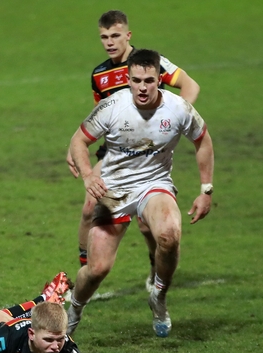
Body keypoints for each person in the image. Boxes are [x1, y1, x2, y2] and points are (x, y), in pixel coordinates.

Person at [66, 49, 214, 338]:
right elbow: (78, 140)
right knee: (97, 270)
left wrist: (205, 190)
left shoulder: (178, 108)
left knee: (169, 236)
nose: (142, 87)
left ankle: (158, 296)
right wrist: (87, 175)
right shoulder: (112, 107)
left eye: (149, 80)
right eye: (136, 80)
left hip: (154, 184)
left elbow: (203, 141)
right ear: (128, 79)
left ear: (160, 79)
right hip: (114, 189)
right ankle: (74, 312)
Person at [67, 10, 201, 292]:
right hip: (116, 152)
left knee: (145, 224)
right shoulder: (100, 74)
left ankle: (156, 265)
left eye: (115, 35)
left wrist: (177, 120)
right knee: (89, 207)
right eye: (104, 37)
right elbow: (98, 115)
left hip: (149, 153)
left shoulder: (148, 64)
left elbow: (190, 85)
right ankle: (84, 271)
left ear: (128, 35)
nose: (109, 42)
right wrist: (75, 145)